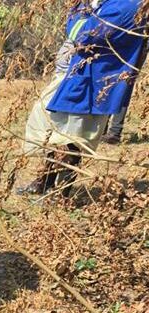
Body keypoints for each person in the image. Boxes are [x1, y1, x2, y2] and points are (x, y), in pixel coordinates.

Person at [20, 0, 146, 195]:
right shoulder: (99, 3)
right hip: (78, 78)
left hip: (93, 83)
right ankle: (45, 183)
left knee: (73, 140)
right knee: (58, 133)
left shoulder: (127, 6)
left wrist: (83, 16)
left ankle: (61, 193)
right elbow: (71, 22)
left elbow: (83, 34)